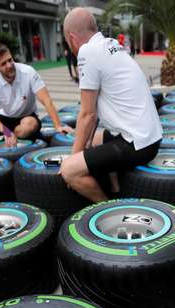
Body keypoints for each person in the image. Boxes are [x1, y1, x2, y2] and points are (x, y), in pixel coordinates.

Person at [59, 8, 162, 203]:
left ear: (72, 38)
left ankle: (108, 207)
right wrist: (86, 144)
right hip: (149, 136)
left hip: (137, 144)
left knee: (69, 171)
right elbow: (94, 114)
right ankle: (116, 188)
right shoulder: (110, 44)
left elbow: (87, 114)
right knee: (94, 139)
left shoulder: (87, 52)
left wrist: (73, 158)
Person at [0, 43, 72, 155]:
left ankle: (12, 142)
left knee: (28, 126)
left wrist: (58, 125)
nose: (9, 65)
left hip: (27, 116)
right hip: (6, 117)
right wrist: (5, 131)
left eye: (10, 60)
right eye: (3, 64)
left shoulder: (28, 72)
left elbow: (46, 100)